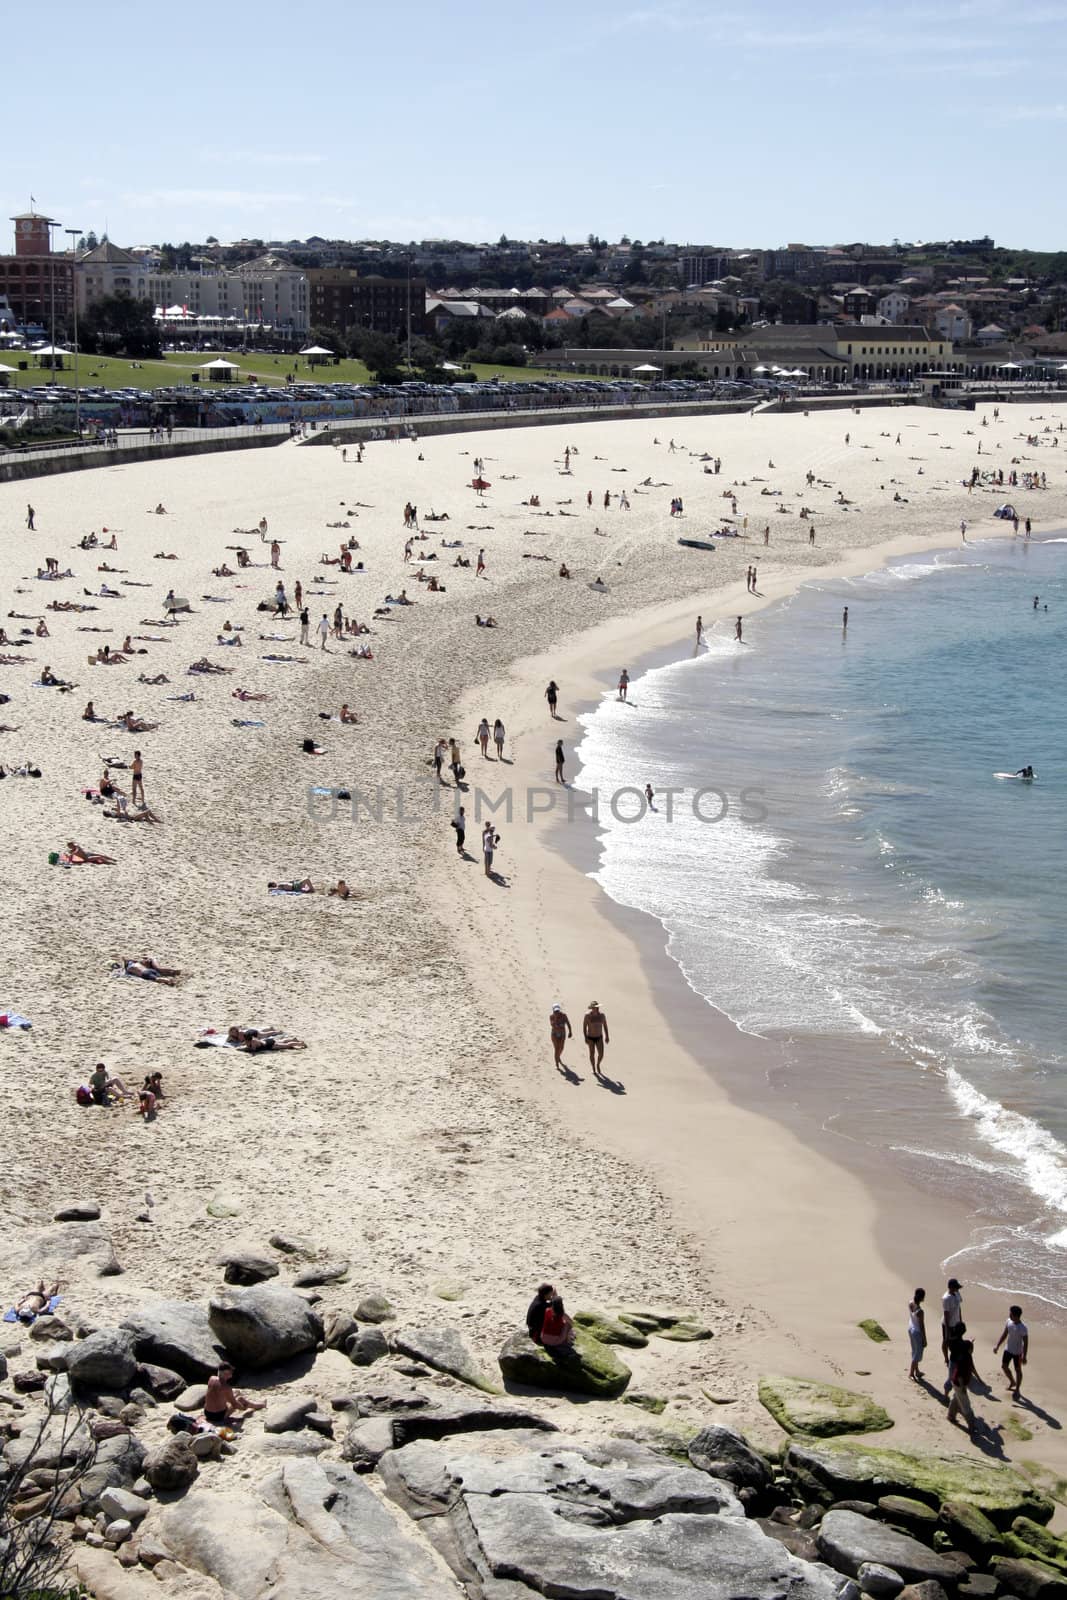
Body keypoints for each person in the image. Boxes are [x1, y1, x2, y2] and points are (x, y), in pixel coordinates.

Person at [946, 1330, 978, 1434]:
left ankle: (950, 1415)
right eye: (971, 1348)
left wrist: (971, 1341)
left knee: (956, 1398)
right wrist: (963, 1387)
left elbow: (972, 1369)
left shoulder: (967, 1355)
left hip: (957, 1383)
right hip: (959, 1383)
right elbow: (959, 1374)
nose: (972, 1350)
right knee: (965, 1405)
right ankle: (971, 1426)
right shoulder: (963, 1359)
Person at [993, 1305, 1029, 1394]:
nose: (1009, 1314)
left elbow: (1026, 1343)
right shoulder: (1009, 1321)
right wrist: (997, 1345)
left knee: (1018, 1370)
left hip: (1017, 1352)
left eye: (1011, 1313)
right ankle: (1012, 1381)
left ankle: (1017, 1388)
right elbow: (1005, 1334)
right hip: (1008, 1349)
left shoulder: (1023, 1328)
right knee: (1004, 1367)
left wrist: (1024, 1356)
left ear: (1016, 1316)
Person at [941, 1277, 964, 1393]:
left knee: (957, 1343)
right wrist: (947, 1330)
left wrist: (961, 1320)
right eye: (956, 1287)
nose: (957, 1289)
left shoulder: (957, 1294)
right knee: (946, 1341)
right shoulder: (946, 1298)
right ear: (951, 1287)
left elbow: (959, 1308)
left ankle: (955, 1361)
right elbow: (946, 1314)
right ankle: (946, 1359)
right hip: (948, 1324)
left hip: (956, 1323)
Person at [583, 1001, 609, 1074]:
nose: (597, 1008)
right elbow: (584, 1027)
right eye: (595, 1007)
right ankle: (593, 1067)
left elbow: (605, 1026)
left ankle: (598, 1064)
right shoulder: (587, 1016)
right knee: (592, 1054)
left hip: (599, 1037)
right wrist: (585, 1037)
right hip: (590, 1037)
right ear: (592, 1008)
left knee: (601, 1054)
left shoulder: (602, 1016)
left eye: (598, 1007)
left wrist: (607, 1036)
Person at [908, 1288, 927, 1381]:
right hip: (917, 1332)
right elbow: (922, 1326)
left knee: (914, 1350)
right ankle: (911, 1373)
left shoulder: (910, 1303)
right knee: (917, 1353)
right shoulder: (920, 1311)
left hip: (910, 1328)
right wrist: (924, 1339)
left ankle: (917, 1371)